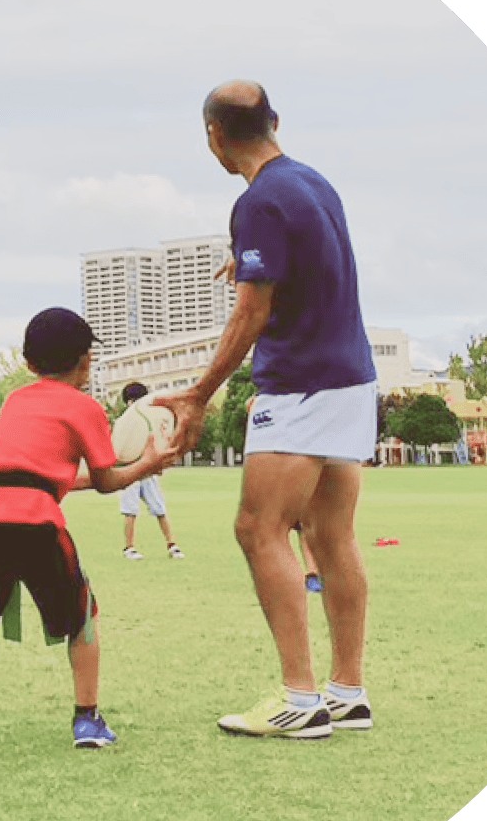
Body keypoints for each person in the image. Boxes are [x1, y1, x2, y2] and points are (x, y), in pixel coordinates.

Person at [157, 80, 377, 740]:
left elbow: (252, 313)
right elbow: (310, 265)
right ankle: (347, 691)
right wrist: (246, 262)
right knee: (330, 537)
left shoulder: (256, 202)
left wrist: (197, 396)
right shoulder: (313, 183)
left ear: (213, 137)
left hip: (301, 385)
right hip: (351, 378)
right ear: (274, 121)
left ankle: (299, 699)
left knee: (259, 528)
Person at [0, 307, 180, 753]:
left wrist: (130, 466)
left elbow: (34, 475)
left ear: (29, 364)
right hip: (35, 520)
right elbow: (106, 481)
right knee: (82, 619)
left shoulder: (14, 402)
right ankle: (86, 720)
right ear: (87, 361)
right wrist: (148, 462)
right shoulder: (85, 407)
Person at [117, 382, 185, 561]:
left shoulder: (152, 418)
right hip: (131, 470)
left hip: (147, 471)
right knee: (130, 510)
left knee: (159, 508)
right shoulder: (126, 421)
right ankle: (129, 548)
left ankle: (172, 545)